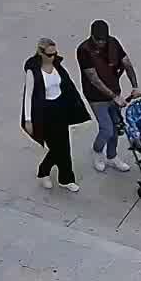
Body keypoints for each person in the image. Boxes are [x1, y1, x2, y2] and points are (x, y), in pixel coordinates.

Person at [22, 38, 91, 191]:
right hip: (45, 112)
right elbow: (28, 96)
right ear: (41, 53)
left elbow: (67, 86)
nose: (53, 57)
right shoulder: (33, 71)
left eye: (55, 54)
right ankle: (44, 171)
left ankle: (65, 179)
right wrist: (28, 120)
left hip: (60, 108)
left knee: (64, 145)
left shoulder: (57, 66)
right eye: (49, 54)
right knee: (56, 147)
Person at [77, 20, 139, 173]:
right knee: (106, 129)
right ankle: (97, 151)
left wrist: (135, 86)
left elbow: (127, 63)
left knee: (116, 127)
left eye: (103, 40)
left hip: (114, 91)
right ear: (92, 36)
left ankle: (112, 156)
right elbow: (94, 79)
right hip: (96, 97)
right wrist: (113, 96)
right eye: (98, 40)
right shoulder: (84, 50)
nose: (101, 43)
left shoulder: (113, 43)